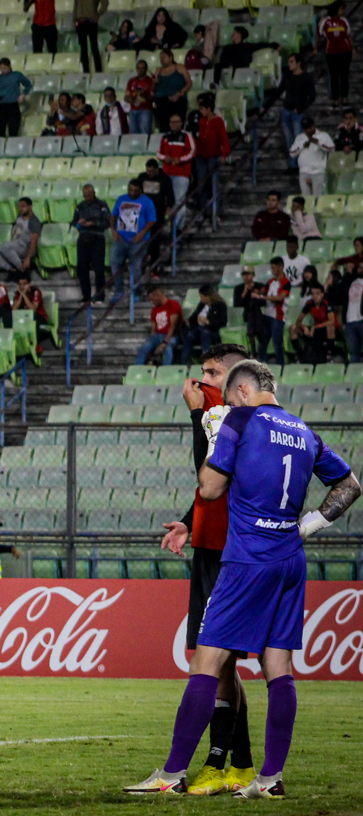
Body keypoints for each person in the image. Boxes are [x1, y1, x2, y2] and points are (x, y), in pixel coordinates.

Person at [125, 360, 359, 799]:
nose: (228, 404)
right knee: (278, 667)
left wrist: (215, 439)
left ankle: (172, 775)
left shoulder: (240, 417)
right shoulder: (304, 430)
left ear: (244, 390)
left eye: (231, 397)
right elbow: (349, 484)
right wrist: (309, 524)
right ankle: (269, 780)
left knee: (207, 663)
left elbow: (210, 487)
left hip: (247, 558)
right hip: (290, 557)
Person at [155, 344, 257, 795]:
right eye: (201, 371)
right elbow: (210, 484)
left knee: (215, 662)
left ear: (237, 377)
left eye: (212, 372)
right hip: (211, 545)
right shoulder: (222, 411)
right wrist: (189, 520)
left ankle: (216, 766)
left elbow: (211, 477)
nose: (201, 380)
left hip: (232, 552)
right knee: (224, 666)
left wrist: (197, 417)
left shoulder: (239, 416)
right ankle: (241, 764)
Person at [111, 178, 157, 297]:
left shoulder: (147, 202)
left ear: (140, 190)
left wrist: (142, 233)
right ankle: (118, 290)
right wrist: (113, 230)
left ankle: (136, 292)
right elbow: (113, 216)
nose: (132, 193)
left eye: (135, 191)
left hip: (138, 241)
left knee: (135, 267)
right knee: (115, 263)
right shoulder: (121, 199)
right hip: (121, 239)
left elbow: (151, 221)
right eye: (130, 190)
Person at [272, 55, 316, 172]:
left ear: (298, 63)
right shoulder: (287, 77)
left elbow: (312, 96)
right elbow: (278, 91)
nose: (289, 64)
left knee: (298, 140)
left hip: (297, 113)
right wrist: (266, 104)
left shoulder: (306, 77)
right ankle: (293, 165)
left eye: (291, 62)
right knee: (289, 140)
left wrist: (301, 108)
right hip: (286, 110)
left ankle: (300, 164)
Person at [72, 184, 111, 305]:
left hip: (97, 238)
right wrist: (80, 223)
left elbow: (107, 222)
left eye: (88, 195)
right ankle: (86, 296)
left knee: (98, 268)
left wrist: (92, 224)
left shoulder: (102, 205)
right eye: (84, 196)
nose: (87, 198)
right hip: (83, 239)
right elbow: (74, 222)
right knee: (82, 269)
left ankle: (100, 296)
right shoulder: (80, 206)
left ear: (94, 192)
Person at [158, 113, 196, 232]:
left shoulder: (187, 135)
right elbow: (159, 152)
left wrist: (179, 160)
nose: (173, 124)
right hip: (167, 173)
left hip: (181, 174)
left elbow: (192, 152)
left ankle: (177, 228)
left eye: (176, 122)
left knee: (179, 201)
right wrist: (165, 158)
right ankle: (169, 227)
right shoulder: (165, 136)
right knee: (166, 201)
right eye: (171, 122)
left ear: (181, 123)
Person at [0, 198, 41, 277]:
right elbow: (16, 231)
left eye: (23, 206)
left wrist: (28, 258)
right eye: (19, 207)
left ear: (30, 207)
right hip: (16, 244)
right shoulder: (19, 217)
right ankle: (11, 270)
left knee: (5, 247)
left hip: (25, 247)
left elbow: (34, 241)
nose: (21, 209)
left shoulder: (33, 221)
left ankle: (21, 268)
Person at [316, 2, 354, 109]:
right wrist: (315, 48)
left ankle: (345, 98)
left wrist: (353, 48)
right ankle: (335, 99)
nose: (344, 11)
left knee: (344, 75)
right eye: (342, 9)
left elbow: (348, 35)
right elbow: (318, 35)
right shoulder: (325, 21)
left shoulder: (344, 21)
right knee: (334, 76)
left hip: (345, 51)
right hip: (331, 52)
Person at [136, 284, 183, 365]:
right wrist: (152, 341)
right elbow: (153, 327)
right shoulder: (154, 310)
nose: (152, 302)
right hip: (158, 335)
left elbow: (173, 326)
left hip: (172, 335)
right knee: (144, 348)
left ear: (158, 295)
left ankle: (165, 372)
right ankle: (137, 370)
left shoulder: (172, 304)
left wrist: (164, 342)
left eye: (152, 299)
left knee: (168, 348)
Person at [291, 283, 338, 364]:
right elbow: (298, 321)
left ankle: (329, 355)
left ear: (322, 294)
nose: (314, 296)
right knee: (293, 328)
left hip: (324, 329)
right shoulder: (309, 304)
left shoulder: (327, 303)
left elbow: (331, 321)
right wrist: (304, 327)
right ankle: (298, 355)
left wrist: (315, 327)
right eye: (312, 294)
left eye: (317, 294)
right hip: (315, 329)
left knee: (330, 327)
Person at [257, 256, 292, 365]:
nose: (272, 270)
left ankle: (280, 364)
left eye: (274, 268)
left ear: (280, 267)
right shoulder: (270, 281)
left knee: (277, 342)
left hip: (278, 317)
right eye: (271, 268)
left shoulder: (286, 282)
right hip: (267, 315)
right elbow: (262, 292)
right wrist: (257, 292)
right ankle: (262, 363)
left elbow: (280, 298)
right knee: (263, 341)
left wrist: (263, 297)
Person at [289, 116, 334, 196]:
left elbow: (331, 148)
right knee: (306, 197)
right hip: (304, 172)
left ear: (314, 125)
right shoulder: (300, 137)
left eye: (310, 127)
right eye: (306, 129)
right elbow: (292, 153)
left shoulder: (323, 135)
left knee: (318, 196)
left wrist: (318, 142)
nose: (308, 130)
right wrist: (302, 146)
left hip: (318, 172)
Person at [183, 285, 227, 364]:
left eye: (202, 297)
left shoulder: (220, 305)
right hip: (199, 329)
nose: (201, 299)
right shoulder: (202, 305)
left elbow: (222, 321)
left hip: (212, 331)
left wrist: (208, 322)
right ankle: (184, 360)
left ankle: (206, 359)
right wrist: (189, 322)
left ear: (208, 296)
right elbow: (194, 316)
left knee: (205, 334)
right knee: (189, 335)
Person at [0, 58, 31, 139]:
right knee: (0, 131)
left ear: (9, 66)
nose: (3, 70)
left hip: (12, 105)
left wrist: (23, 95)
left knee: (13, 131)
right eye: (1, 68)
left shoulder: (17, 75)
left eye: (4, 68)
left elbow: (28, 85)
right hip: (0, 105)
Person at [152, 50, 192, 131]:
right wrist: (154, 80)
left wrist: (180, 93)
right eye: (160, 58)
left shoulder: (180, 68)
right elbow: (153, 88)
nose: (162, 60)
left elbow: (189, 82)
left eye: (164, 57)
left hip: (178, 99)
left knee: (177, 123)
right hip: (162, 101)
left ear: (170, 57)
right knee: (164, 125)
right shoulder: (158, 70)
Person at [234, 268, 265, 357]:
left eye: (248, 274)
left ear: (253, 275)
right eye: (244, 274)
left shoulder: (260, 286)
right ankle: (257, 338)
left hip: (260, 314)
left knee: (254, 309)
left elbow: (264, 302)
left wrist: (258, 296)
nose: (246, 277)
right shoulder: (238, 288)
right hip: (246, 314)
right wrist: (244, 293)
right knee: (251, 313)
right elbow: (237, 304)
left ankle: (253, 346)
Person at [74, 0, 109, 72]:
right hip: (80, 22)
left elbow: (105, 3)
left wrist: (98, 14)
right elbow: (76, 5)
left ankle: (98, 70)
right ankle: (86, 71)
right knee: (83, 48)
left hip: (90, 21)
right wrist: (74, 19)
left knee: (94, 47)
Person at [125, 59, 155, 135]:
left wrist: (145, 96)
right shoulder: (131, 81)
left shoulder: (150, 81)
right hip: (133, 110)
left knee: (145, 132)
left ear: (146, 69)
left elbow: (154, 97)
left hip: (146, 110)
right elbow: (126, 96)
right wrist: (130, 99)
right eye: (138, 68)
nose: (140, 70)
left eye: (142, 68)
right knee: (133, 133)